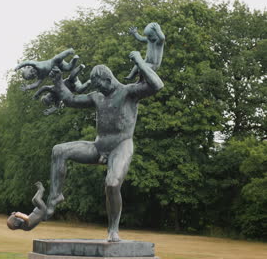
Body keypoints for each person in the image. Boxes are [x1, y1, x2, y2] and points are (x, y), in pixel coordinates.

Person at [45, 51, 164, 242]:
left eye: (99, 84)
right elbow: (71, 100)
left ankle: (113, 229)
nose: (97, 89)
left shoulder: (129, 92)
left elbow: (157, 85)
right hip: (98, 146)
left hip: (121, 146)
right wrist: (58, 82)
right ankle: (55, 196)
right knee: (59, 150)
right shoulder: (96, 97)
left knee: (112, 183)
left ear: (107, 79)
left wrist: (140, 61)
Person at [15, 48, 79, 91]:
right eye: (32, 76)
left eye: (31, 72)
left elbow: (28, 62)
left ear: (29, 67)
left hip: (54, 62)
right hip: (59, 67)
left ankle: (69, 51)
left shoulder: (36, 65)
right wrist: (28, 87)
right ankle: (74, 59)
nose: (33, 73)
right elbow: (36, 84)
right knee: (68, 68)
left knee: (57, 58)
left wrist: (19, 66)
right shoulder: (40, 76)